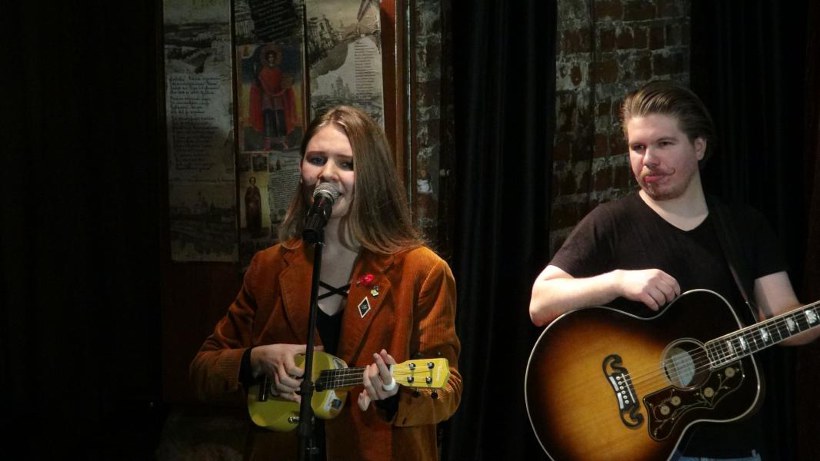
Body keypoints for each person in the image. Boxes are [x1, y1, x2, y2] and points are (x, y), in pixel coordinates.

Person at [528, 80, 819, 460]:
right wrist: (618, 281)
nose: (649, 159)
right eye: (637, 147)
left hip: (729, 447)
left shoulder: (743, 226)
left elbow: (784, 317)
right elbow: (541, 302)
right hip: (639, 442)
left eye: (664, 144)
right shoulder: (611, 223)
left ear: (699, 147)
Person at [190, 105, 462, 461]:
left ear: (372, 176)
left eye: (346, 164)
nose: (327, 174)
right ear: (301, 169)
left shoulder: (421, 270)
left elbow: (447, 389)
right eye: (316, 159)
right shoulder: (268, 267)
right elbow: (203, 370)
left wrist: (394, 394)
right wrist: (256, 359)